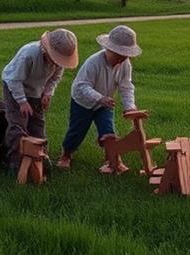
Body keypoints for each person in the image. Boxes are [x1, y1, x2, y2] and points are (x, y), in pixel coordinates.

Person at [57, 25, 140, 172]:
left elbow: (126, 86)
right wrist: (99, 98)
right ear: (109, 49)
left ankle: (113, 160)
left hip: (105, 103)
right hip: (83, 102)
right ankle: (66, 155)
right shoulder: (93, 62)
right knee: (77, 131)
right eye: (118, 55)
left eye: (125, 56)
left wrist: (130, 107)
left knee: (108, 132)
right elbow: (82, 86)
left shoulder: (125, 65)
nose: (121, 59)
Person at [1, 28, 79, 171]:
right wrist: (22, 102)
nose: (57, 64)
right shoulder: (29, 54)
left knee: (38, 124)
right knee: (19, 124)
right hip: (15, 88)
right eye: (56, 59)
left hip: (36, 91)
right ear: (46, 50)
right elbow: (14, 80)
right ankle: (15, 162)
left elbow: (55, 79)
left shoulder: (58, 64)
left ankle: (39, 158)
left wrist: (47, 94)